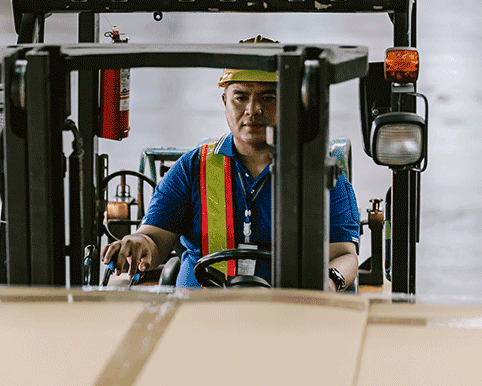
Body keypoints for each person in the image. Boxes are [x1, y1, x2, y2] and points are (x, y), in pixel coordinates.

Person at [101, 39, 360, 291]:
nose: (253, 109)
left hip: (287, 314)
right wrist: (137, 242)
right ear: (225, 102)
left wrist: (329, 281)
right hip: (197, 317)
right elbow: (154, 239)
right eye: (240, 97)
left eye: (268, 98)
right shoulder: (192, 168)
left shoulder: (320, 173)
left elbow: (344, 254)